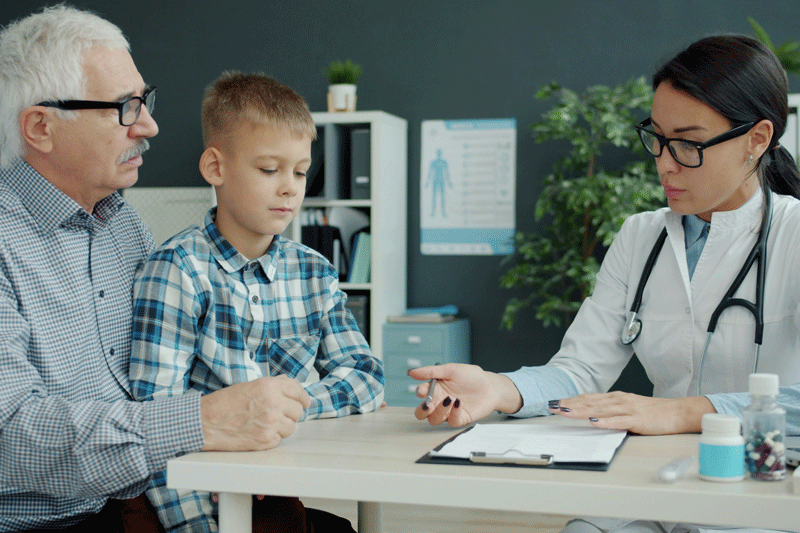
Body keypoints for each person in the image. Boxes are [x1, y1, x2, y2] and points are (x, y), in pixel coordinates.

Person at [410, 34, 800, 533]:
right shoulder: (641, 237)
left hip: (761, 498)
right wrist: (497, 387)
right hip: (657, 484)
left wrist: (683, 412)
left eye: (687, 143)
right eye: (657, 137)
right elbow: (579, 371)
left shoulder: (792, 235)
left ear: (757, 139)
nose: (664, 161)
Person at [0, 6, 311, 531]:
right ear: (41, 127)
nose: (150, 125)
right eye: (125, 107)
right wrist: (204, 421)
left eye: (145, 100)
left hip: (158, 496)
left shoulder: (125, 227)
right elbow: (10, 436)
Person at [129, 71, 384, 533]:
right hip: (192, 501)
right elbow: (156, 427)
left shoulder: (314, 270)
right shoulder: (177, 270)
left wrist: (283, 412)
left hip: (273, 486)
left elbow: (365, 376)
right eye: (269, 169)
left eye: (301, 171)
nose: (290, 187)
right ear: (215, 168)